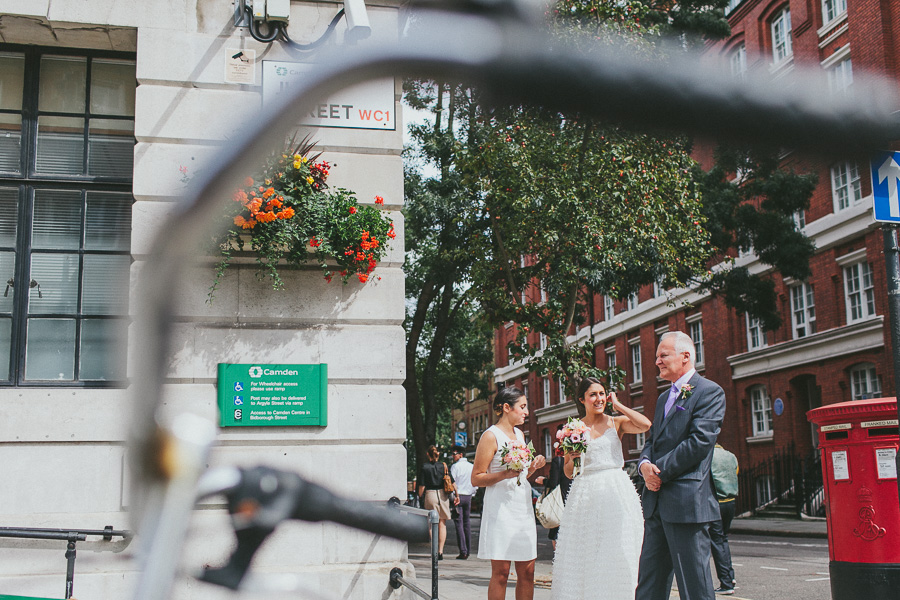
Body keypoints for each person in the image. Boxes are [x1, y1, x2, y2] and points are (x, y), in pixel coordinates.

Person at [635, 331, 726, 600]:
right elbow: (653, 440)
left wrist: (658, 471)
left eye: (663, 355)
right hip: (656, 503)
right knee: (649, 583)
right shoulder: (664, 398)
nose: (657, 362)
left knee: (694, 586)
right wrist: (644, 466)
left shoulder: (710, 392)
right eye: (657, 357)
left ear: (685, 356)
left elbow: (699, 443)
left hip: (687, 504)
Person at [551, 377, 651, 600]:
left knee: (617, 546)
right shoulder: (572, 428)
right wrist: (573, 458)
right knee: (588, 548)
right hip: (585, 490)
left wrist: (618, 406)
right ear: (582, 399)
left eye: (602, 393)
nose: (599, 399)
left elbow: (645, 425)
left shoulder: (616, 423)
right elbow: (568, 472)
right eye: (593, 394)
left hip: (615, 488)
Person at [472, 386, 547, 600]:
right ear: (506, 407)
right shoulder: (490, 436)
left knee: (528, 571)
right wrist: (503, 474)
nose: (526, 412)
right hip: (501, 510)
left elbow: (520, 475)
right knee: (502, 573)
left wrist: (532, 467)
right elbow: (476, 477)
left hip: (522, 509)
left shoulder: (520, 435)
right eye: (522, 407)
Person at [710, 444, 739, 595]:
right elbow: (736, 472)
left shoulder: (707, 455)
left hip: (716, 503)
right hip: (730, 501)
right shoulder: (730, 455)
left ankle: (726, 583)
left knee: (716, 541)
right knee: (723, 539)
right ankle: (730, 577)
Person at [417, 445, 453, 560]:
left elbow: (422, 486)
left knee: (432, 523)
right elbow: (451, 482)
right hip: (443, 495)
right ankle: (441, 551)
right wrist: (457, 495)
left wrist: (420, 497)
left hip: (430, 494)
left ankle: (434, 551)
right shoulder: (443, 466)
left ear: (428, 454)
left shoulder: (425, 467)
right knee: (442, 523)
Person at [541, 425, 572, 550]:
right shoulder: (580, 460)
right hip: (574, 501)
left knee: (558, 539)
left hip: (560, 504)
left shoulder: (558, 461)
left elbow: (553, 483)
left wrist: (543, 480)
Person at [450, 444, 475, 559]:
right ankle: (468, 550)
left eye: (454, 454)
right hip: (468, 496)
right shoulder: (471, 466)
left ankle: (463, 551)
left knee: (458, 524)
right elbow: (475, 481)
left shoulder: (455, 467)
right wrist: (472, 493)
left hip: (458, 496)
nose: (453, 456)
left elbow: (452, 483)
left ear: (460, 455)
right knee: (467, 523)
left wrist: (453, 496)